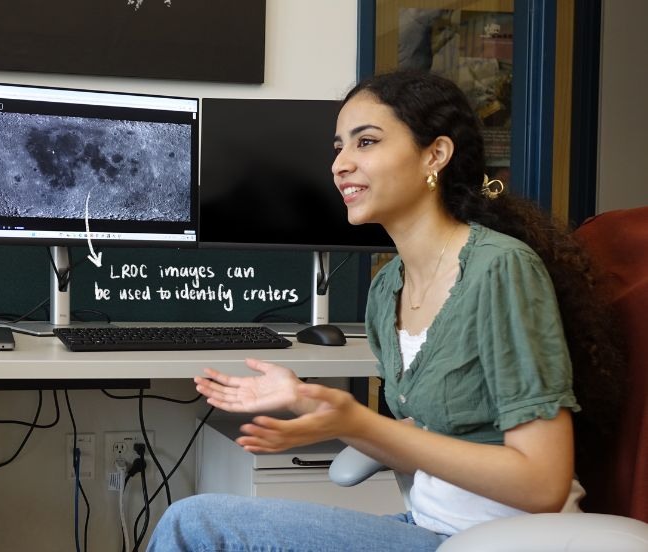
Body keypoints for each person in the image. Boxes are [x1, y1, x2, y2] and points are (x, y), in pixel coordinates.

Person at [146, 70, 622, 551]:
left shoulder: (498, 270)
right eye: (338, 148)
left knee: (196, 525)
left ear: (435, 154)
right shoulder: (387, 288)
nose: (340, 165)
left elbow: (542, 485)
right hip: (428, 527)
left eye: (366, 142)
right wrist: (308, 403)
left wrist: (355, 422)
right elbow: (441, 432)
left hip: (502, 541)